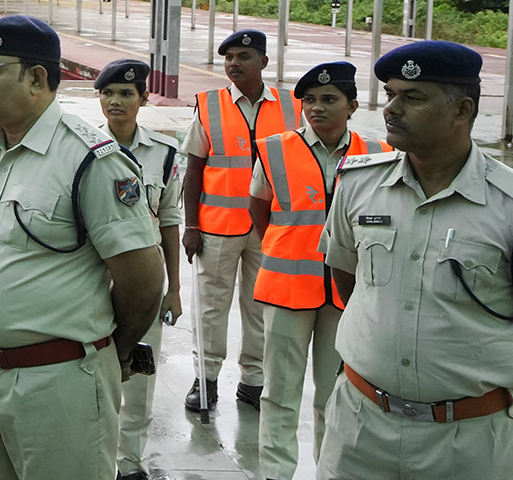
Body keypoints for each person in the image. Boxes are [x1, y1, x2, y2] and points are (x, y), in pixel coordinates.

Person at [0, 15, 163, 480]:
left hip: (57, 385)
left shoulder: (91, 160)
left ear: (36, 78)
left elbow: (143, 282)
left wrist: (115, 352)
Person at [317, 42, 513, 479]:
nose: (391, 109)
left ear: (462, 110)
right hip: (361, 426)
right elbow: (347, 278)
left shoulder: (507, 204)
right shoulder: (358, 183)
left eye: (413, 97)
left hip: (468, 441)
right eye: (390, 94)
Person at [248, 62, 390, 480]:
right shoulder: (275, 148)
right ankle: (276, 472)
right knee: (280, 392)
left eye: (329, 100)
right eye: (309, 100)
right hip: (287, 289)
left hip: (348, 295)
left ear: (352, 105)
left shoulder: (380, 154)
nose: (316, 108)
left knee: (335, 394)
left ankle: (330, 470)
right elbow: (259, 209)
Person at [180, 29, 300, 412]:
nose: (234, 63)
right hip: (217, 226)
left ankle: (252, 383)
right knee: (211, 306)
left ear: (264, 62)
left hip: (270, 228)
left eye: (243, 56)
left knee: (260, 305)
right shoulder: (210, 105)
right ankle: (206, 379)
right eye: (229, 57)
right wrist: (191, 226)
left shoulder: (290, 106)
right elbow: (193, 170)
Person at [94, 59, 182, 480]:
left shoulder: (163, 155)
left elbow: (168, 221)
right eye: (108, 93)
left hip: (145, 282)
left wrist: (174, 289)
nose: (116, 101)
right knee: (93, 373)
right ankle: (93, 457)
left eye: (126, 93)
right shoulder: (84, 149)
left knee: (141, 378)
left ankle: (130, 463)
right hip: (93, 279)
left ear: (144, 99)